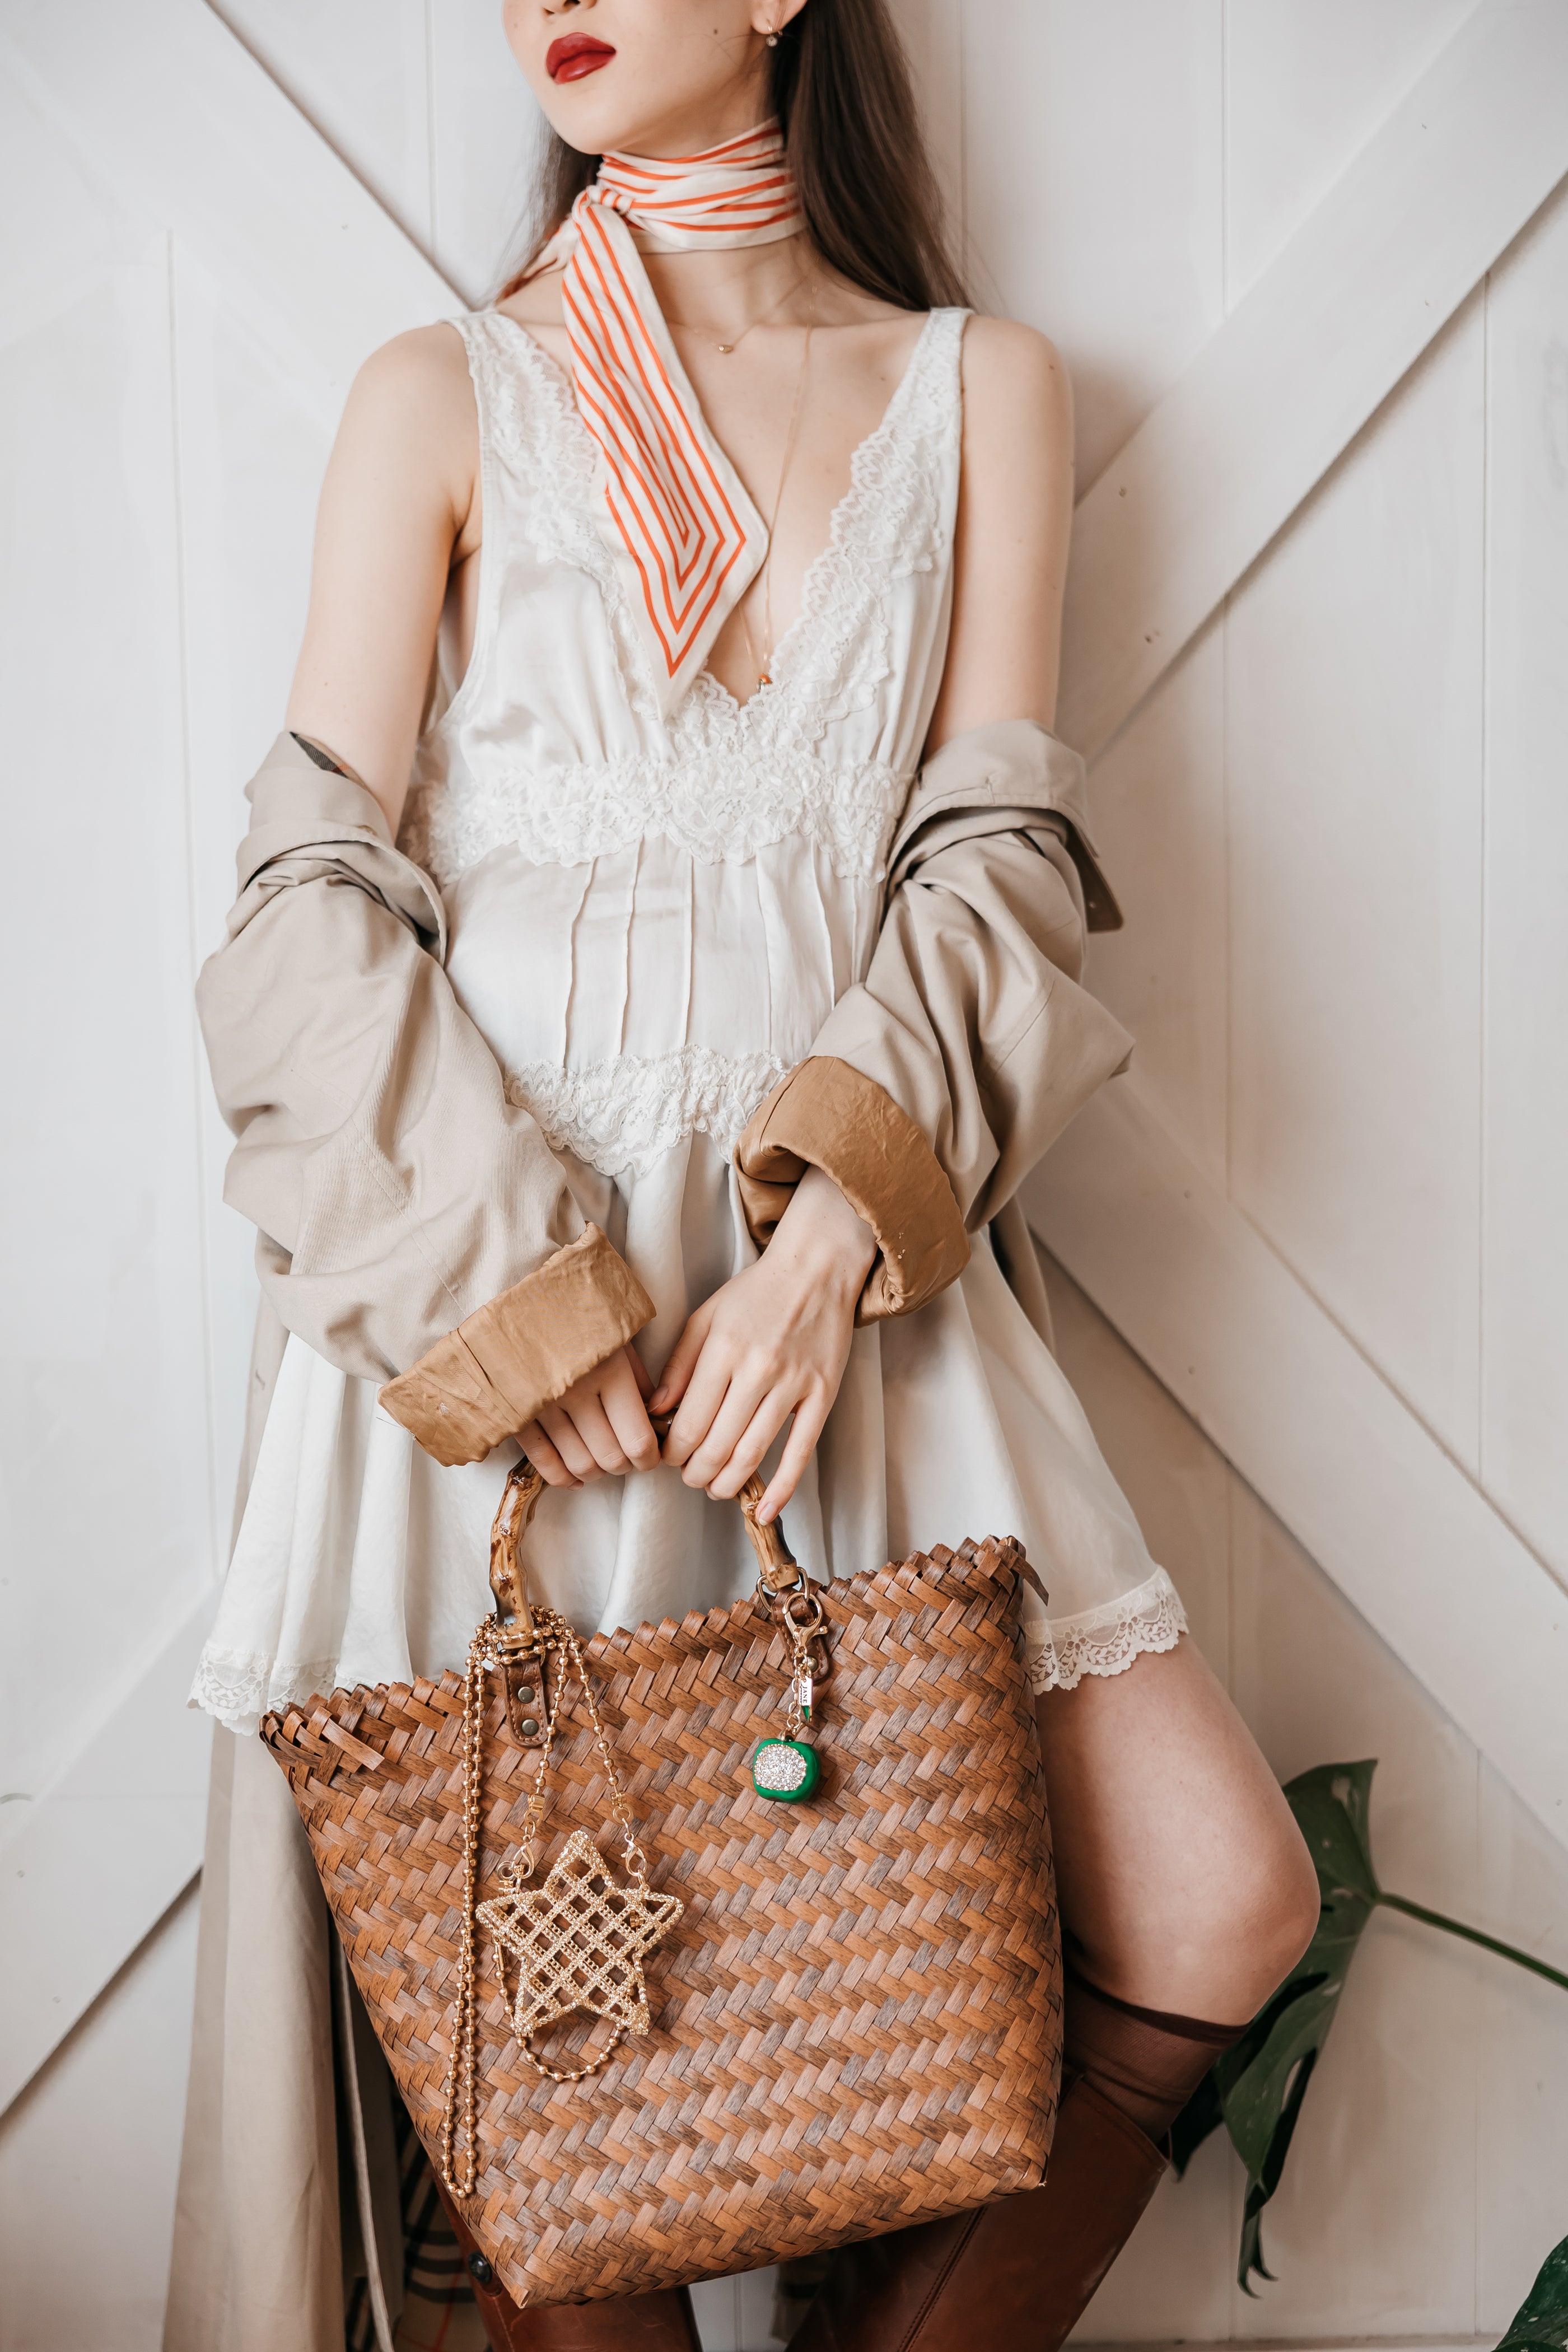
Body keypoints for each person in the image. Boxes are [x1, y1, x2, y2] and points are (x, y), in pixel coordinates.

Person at [169, 3, 1321, 2348]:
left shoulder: (986, 384)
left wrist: (825, 1263)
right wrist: (514, 1306)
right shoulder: (440, 388)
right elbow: (303, 898)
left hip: (843, 1288)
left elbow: (989, 856)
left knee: (1219, 1901)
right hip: (504, 1310)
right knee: (562, 2141)